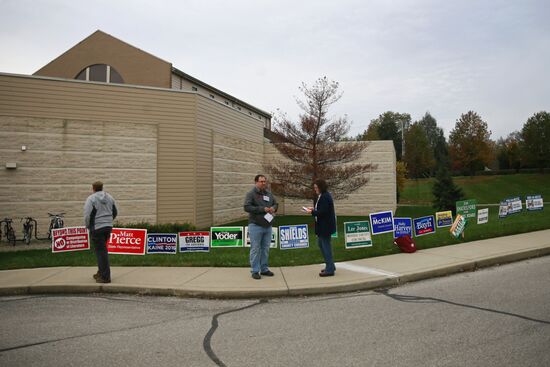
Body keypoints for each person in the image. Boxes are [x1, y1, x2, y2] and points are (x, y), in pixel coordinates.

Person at [244, 174, 278, 280]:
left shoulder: (269, 193)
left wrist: (273, 208)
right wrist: (262, 209)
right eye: (261, 181)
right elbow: (247, 207)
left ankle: (264, 269)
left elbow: (276, 204)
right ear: (256, 182)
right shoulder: (251, 194)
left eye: (265, 181)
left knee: (265, 248)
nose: (264, 183)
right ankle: (255, 270)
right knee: (255, 248)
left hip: (267, 225)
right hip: (255, 225)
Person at [84, 181, 118, 283]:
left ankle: (105, 277)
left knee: (101, 252)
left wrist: (88, 226)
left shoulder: (91, 199)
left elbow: (87, 215)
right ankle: (100, 272)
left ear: (93, 188)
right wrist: (108, 221)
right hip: (108, 227)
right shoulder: (110, 197)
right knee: (101, 251)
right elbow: (115, 211)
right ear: (102, 188)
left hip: (97, 228)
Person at [306, 179, 336, 277]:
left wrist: (312, 212)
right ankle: (330, 265)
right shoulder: (323, 196)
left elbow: (323, 212)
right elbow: (322, 209)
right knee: (321, 244)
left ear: (321, 187)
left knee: (325, 246)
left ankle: (330, 269)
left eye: (316, 187)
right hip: (323, 226)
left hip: (325, 226)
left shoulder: (325, 197)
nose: (315, 189)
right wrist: (314, 210)